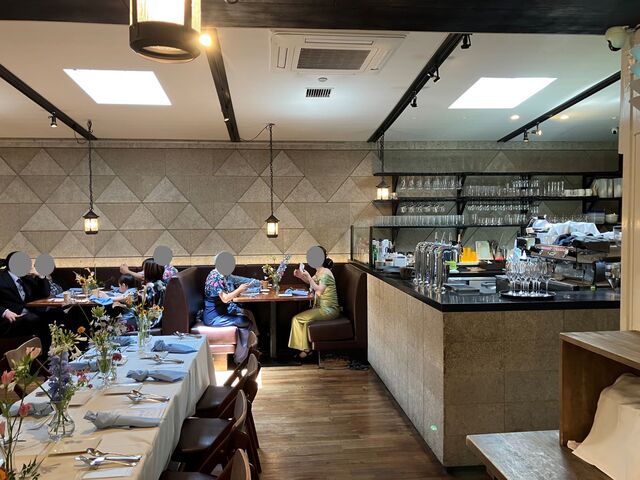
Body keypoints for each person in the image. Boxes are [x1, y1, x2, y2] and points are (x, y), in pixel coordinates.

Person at [288, 247, 340, 359]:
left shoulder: (326, 272)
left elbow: (319, 291)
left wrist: (308, 277)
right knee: (304, 321)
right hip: (321, 308)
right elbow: (311, 282)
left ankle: (306, 350)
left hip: (329, 310)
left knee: (297, 319)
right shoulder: (319, 271)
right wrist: (301, 276)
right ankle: (306, 350)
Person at [203, 261, 259, 364]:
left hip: (222, 312)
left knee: (247, 314)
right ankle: (241, 359)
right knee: (245, 321)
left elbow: (238, 281)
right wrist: (239, 290)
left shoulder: (222, 275)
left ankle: (251, 349)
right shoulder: (215, 278)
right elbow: (225, 299)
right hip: (214, 317)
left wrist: (257, 283)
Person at [0, 252, 53, 354]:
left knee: (56, 314)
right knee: (35, 320)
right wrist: (4, 312)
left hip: (28, 315)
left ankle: (52, 354)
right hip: (9, 320)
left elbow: (45, 293)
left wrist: (41, 276)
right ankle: (44, 355)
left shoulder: (26, 279)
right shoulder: (2, 279)